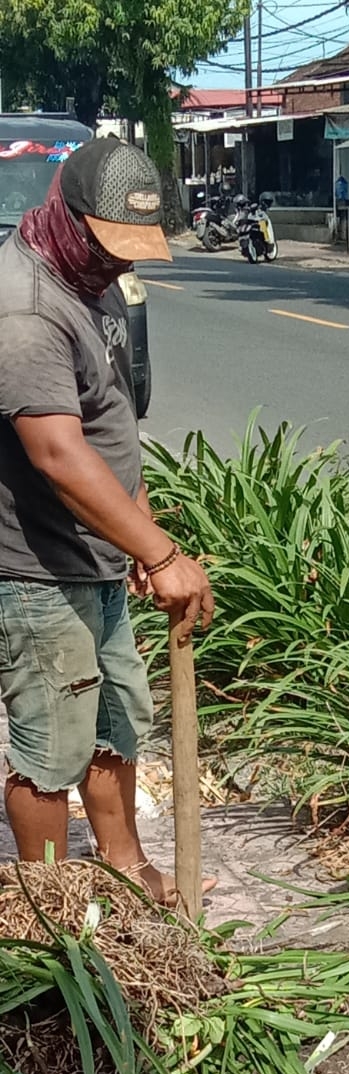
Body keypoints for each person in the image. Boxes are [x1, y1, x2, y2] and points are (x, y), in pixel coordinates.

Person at [0, 135, 214, 903]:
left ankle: (124, 869)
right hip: (35, 568)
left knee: (114, 719)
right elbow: (58, 453)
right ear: (69, 217)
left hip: (97, 552)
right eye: (111, 245)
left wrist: (137, 532)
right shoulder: (24, 307)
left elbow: (110, 425)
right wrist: (159, 555)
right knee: (49, 746)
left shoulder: (89, 281)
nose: (122, 263)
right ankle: (49, 910)